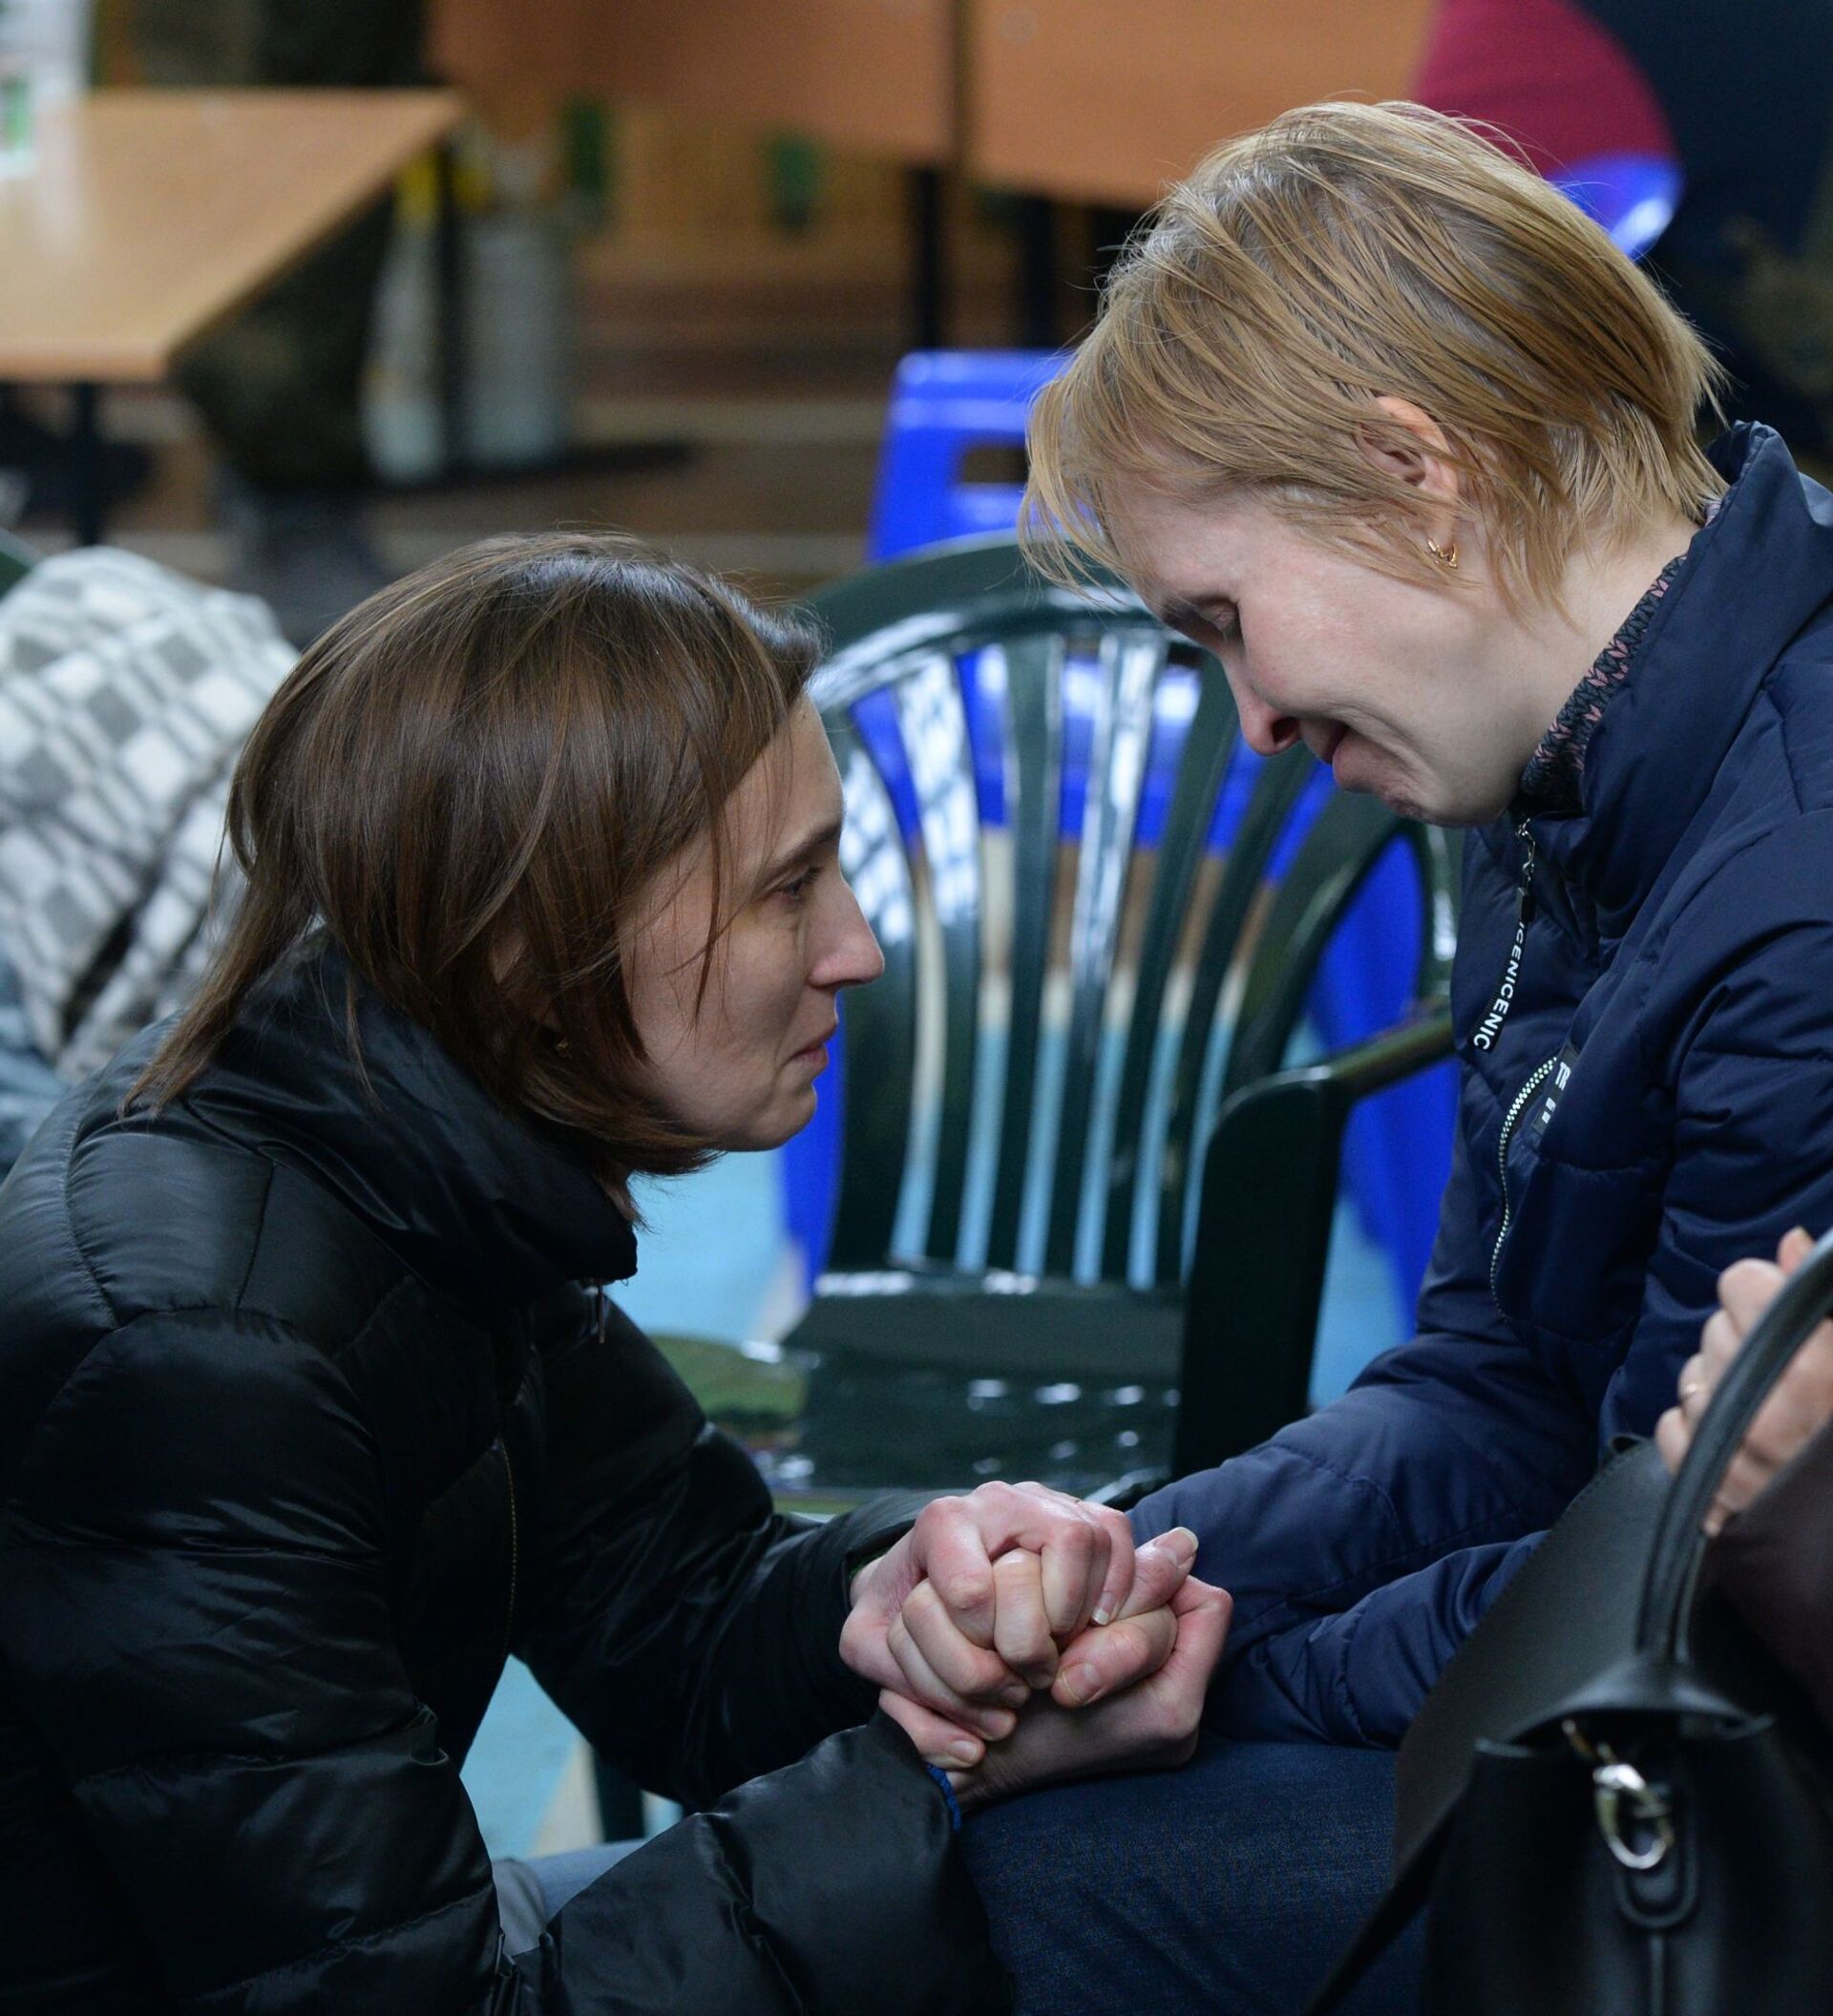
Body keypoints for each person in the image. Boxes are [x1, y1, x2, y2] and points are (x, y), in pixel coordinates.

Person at [0, 533, 1232, 2013]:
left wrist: (903, 1592)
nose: (856, 948)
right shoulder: (201, 1357)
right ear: (532, 947)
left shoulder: (419, 1142)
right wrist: (942, 1774)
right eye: (789, 888)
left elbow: (679, 1617)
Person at [937, 97, 1833, 2013]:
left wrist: (1197, 1678)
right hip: (1646, 1658)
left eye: (1224, 622)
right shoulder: (1547, 753)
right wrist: (1137, 1566)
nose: (1252, 720)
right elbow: (1500, 1379)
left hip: (1750, 1789)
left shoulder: (1799, 894)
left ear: (1413, 476)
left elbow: (1664, 1583)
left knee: (976, 1893)